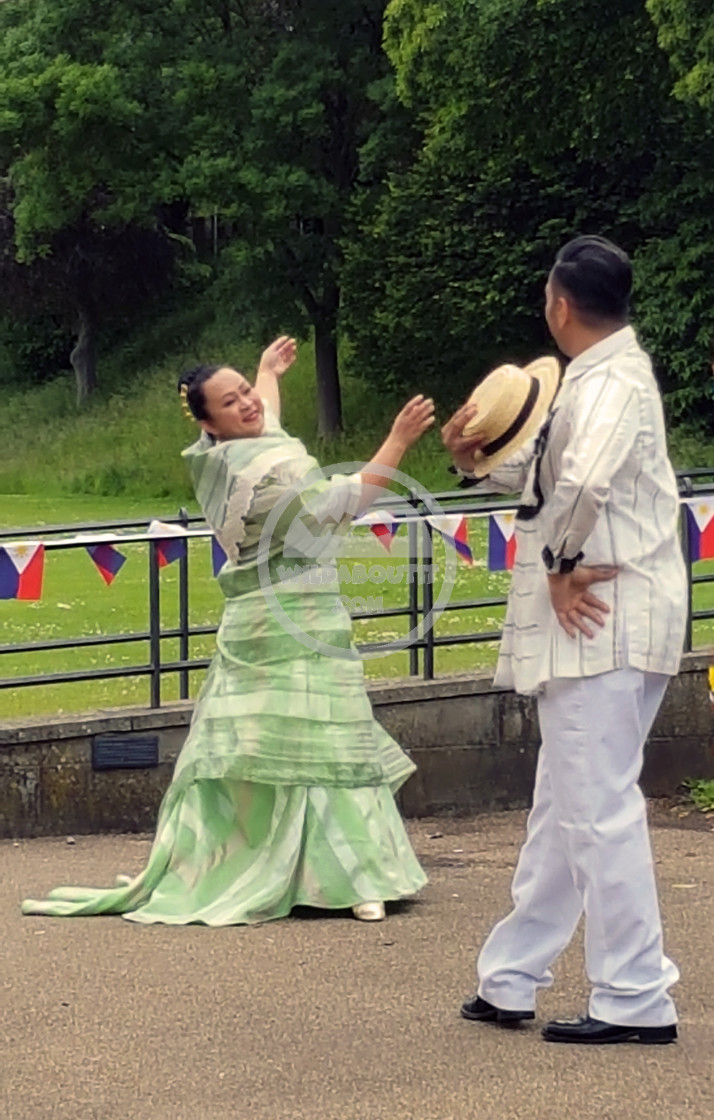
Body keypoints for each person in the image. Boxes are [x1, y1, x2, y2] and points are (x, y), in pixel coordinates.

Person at [22, 337, 432, 926]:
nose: (248, 403)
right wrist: (398, 439)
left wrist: (267, 374)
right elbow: (343, 502)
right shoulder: (252, 472)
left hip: (303, 611)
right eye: (231, 400)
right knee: (297, 741)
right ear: (208, 424)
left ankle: (355, 872)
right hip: (280, 621)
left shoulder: (240, 448)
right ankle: (337, 877)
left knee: (328, 734)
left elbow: (267, 419)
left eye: (245, 391)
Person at [442, 235, 687, 1044]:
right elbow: (555, 477)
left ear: (559, 304)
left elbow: (581, 484)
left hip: (600, 618)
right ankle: (513, 976)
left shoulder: (612, 378)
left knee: (597, 809)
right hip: (601, 617)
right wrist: (477, 463)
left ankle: (635, 993)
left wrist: (557, 564)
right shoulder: (600, 376)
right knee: (566, 806)